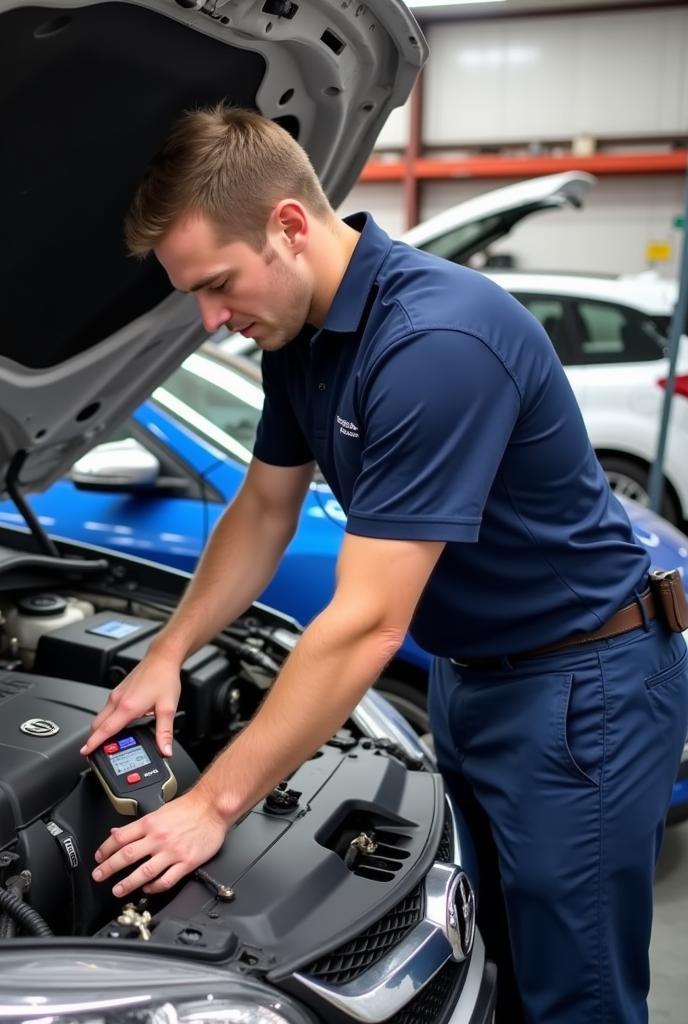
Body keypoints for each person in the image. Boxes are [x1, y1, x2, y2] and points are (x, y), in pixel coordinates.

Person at [79, 105, 688, 1023]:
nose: (209, 319)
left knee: (579, 994)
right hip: (472, 674)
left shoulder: (432, 344)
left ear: (288, 225)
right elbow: (263, 509)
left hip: (580, 690)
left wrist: (214, 805)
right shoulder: (302, 334)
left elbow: (367, 620)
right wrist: (167, 651)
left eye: (216, 284)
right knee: (493, 956)